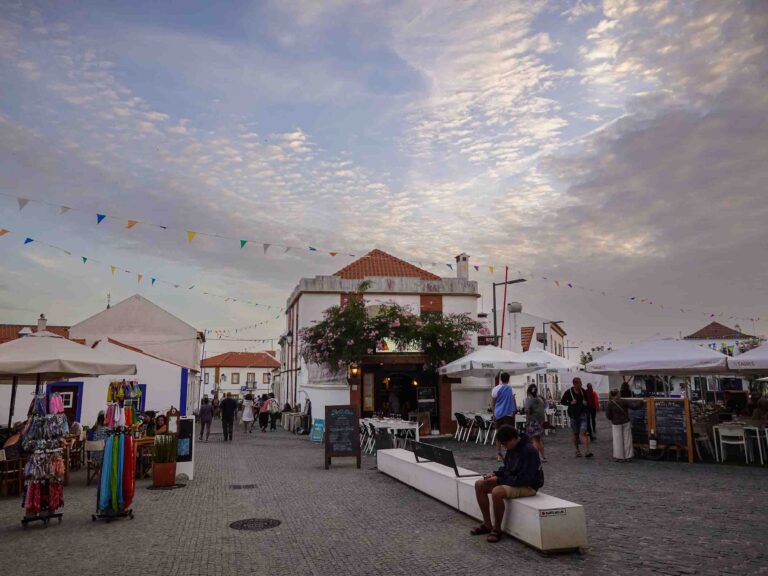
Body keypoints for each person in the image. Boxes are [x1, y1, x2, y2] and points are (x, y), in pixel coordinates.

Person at [471, 426, 543, 543]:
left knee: (497, 492)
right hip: (515, 481)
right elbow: (507, 468)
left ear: (514, 439)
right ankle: (487, 524)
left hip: (529, 486)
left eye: (505, 444)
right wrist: (495, 474)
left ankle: (497, 529)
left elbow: (524, 479)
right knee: (479, 484)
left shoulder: (529, 451)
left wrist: (499, 480)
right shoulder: (512, 447)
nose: (505, 447)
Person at [605, 389, 645, 462]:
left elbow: (608, 416)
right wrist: (642, 401)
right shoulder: (623, 401)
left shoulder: (609, 403)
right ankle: (628, 456)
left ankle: (619, 457)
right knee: (627, 439)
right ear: (618, 394)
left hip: (616, 423)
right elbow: (634, 406)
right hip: (625, 421)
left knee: (617, 441)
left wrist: (613, 418)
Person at [561, 377, 592, 458]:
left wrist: (586, 403)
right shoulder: (569, 392)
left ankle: (587, 451)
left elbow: (588, 401)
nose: (581, 384)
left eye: (581, 383)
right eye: (579, 383)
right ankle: (577, 450)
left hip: (583, 415)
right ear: (575, 384)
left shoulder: (583, 391)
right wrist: (570, 402)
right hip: (573, 416)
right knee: (575, 433)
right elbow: (562, 401)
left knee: (583, 432)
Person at [492, 372, 517, 461]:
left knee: (499, 434)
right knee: (510, 434)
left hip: (498, 414)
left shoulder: (495, 389)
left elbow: (493, 403)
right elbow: (513, 401)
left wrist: (494, 413)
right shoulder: (511, 389)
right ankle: (509, 453)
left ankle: (499, 454)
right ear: (508, 379)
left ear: (500, 379)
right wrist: (515, 410)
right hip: (508, 414)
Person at [523, 384, 546, 462]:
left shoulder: (529, 399)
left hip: (532, 421)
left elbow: (526, 410)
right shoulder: (540, 398)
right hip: (540, 421)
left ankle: (536, 457)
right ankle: (542, 456)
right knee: (539, 440)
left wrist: (528, 419)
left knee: (534, 440)